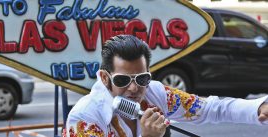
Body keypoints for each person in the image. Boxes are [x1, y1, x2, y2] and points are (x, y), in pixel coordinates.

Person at [64, 35, 268, 137]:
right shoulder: (84, 117)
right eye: (123, 80)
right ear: (105, 78)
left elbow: (208, 109)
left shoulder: (156, 93)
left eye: (141, 78)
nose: (134, 88)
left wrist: (257, 107)